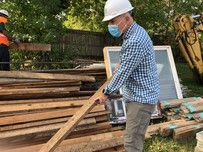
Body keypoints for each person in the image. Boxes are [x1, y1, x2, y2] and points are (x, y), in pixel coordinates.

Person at [94, 0, 160, 151]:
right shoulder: (133, 33)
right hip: (139, 96)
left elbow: (123, 72)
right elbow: (129, 62)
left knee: (132, 143)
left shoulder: (135, 40)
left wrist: (106, 93)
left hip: (141, 99)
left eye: (112, 21)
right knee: (133, 139)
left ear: (127, 18)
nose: (110, 25)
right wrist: (123, 64)